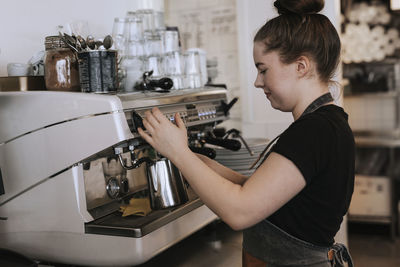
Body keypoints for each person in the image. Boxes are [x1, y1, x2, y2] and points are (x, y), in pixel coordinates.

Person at [138, 0, 355, 266]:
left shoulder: (315, 131)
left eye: (263, 69)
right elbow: (257, 191)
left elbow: (240, 211)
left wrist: (180, 154)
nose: (257, 81)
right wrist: (193, 159)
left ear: (301, 66)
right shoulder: (326, 124)